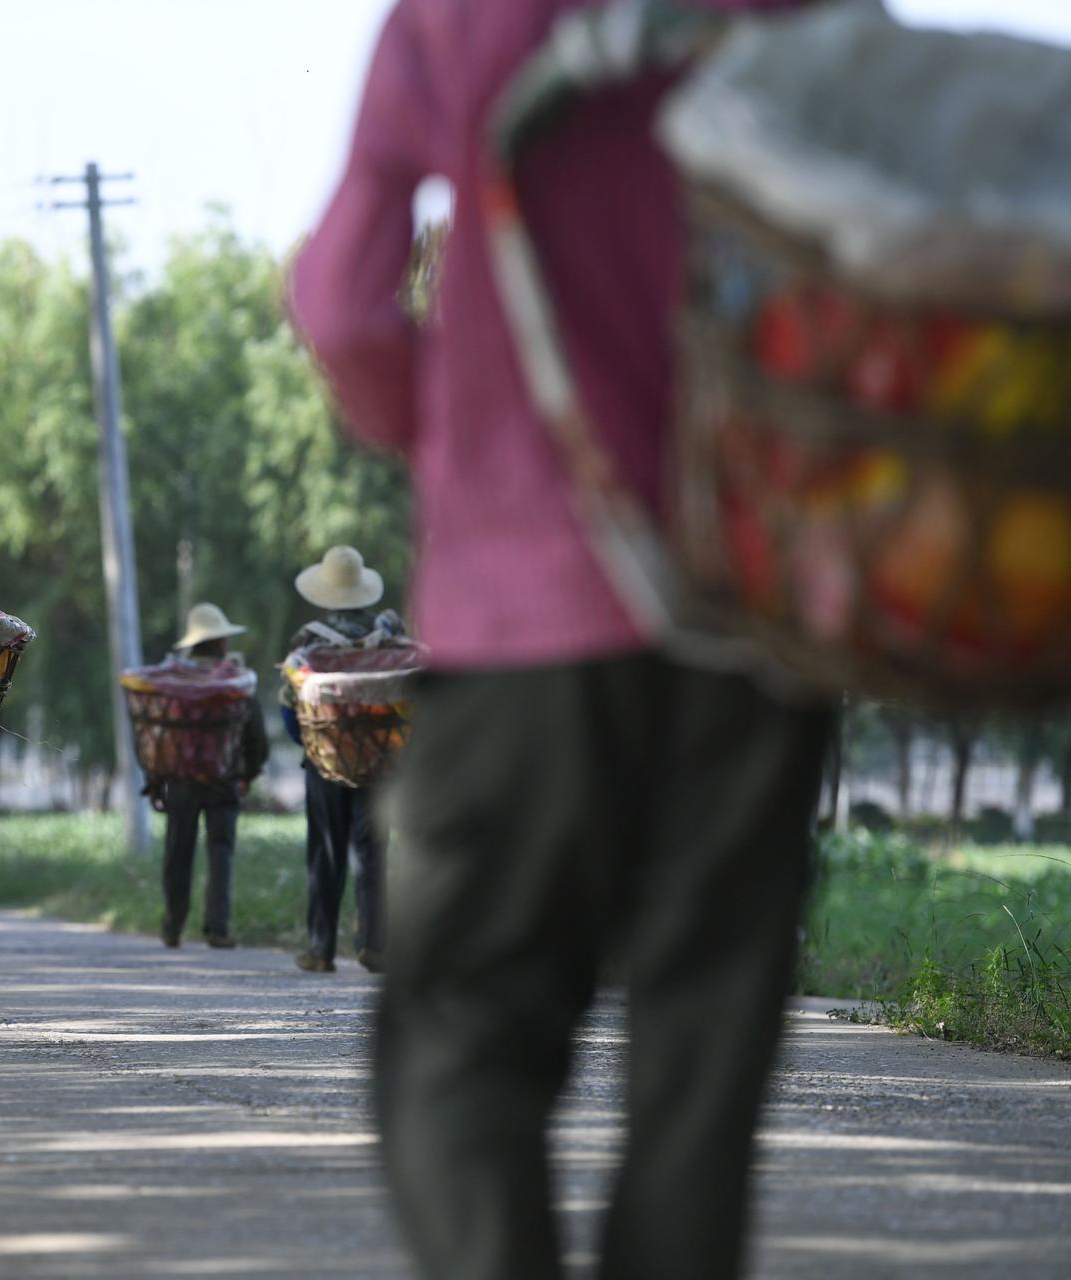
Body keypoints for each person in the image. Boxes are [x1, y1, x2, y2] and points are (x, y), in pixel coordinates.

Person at [291, 4, 835, 1276]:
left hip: (522, 607)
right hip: (753, 614)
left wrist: (461, 445)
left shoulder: (451, 17)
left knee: (459, 1035)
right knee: (698, 1078)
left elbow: (343, 305)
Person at [280, 546, 404, 975]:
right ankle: (376, 944)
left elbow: (289, 708)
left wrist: (312, 745)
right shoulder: (387, 638)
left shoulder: (307, 641)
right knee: (372, 853)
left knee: (325, 852)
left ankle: (320, 949)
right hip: (379, 759)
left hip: (325, 759)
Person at [153, 603, 268, 950]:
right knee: (221, 852)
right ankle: (217, 929)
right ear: (219, 644)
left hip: (181, 780)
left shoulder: (174, 682)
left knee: (178, 852)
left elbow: (156, 734)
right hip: (223, 779)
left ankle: (173, 926)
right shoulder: (234, 680)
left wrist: (155, 780)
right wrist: (248, 772)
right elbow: (256, 736)